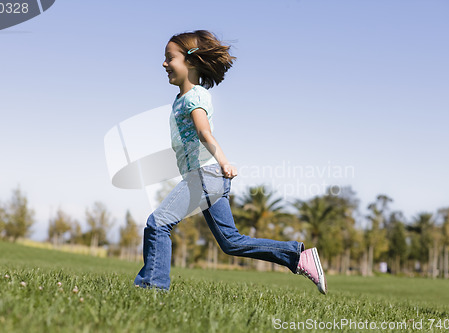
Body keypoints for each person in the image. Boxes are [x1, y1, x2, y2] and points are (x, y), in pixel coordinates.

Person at [133, 30, 327, 295]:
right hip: (207, 177)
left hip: (204, 175)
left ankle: (152, 288)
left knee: (158, 223)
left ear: (190, 61)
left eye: (169, 58)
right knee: (230, 242)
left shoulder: (193, 98)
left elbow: (204, 133)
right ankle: (297, 256)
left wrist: (224, 162)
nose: (164, 64)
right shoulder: (183, 98)